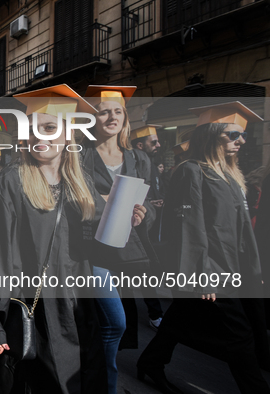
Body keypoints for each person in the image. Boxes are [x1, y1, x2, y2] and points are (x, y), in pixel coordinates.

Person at [0, 85, 146, 393]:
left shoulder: (80, 183)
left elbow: (102, 243)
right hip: (36, 308)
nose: (40, 136)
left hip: (80, 305)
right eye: (33, 128)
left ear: (67, 135)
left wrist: (131, 218)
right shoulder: (10, 183)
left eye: (50, 128)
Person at [137, 101, 270, 394]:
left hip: (234, 266)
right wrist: (202, 273)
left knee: (179, 319)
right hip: (213, 268)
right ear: (211, 135)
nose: (241, 141)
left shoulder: (232, 175)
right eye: (232, 135)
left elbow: (242, 229)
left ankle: (150, 362)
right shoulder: (192, 171)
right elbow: (189, 226)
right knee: (240, 335)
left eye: (242, 135)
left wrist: (254, 268)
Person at [83, 85, 162, 393]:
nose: (111, 116)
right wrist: (100, 202)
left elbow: (151, 204)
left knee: (102, 325)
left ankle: (92, 378)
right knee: (115, 322)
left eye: (117, 111)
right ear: (93, 118)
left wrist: (145, 214)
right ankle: (106, 386)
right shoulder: (80, 156)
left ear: (125, 117)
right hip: (91, 252)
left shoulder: (140, 158)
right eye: (104, 111)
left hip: (127, 251)